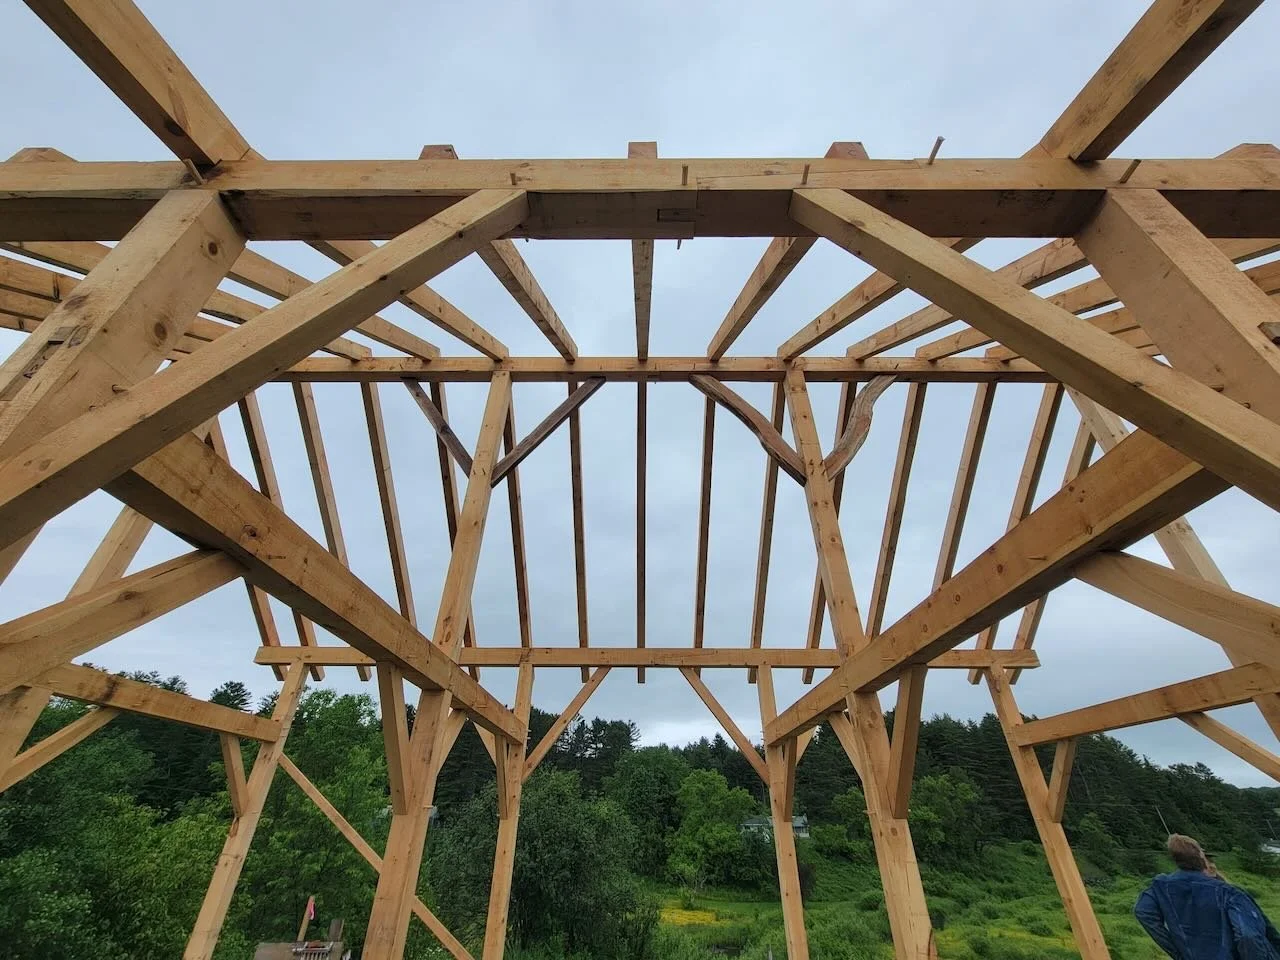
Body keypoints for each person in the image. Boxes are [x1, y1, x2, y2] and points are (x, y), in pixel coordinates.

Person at [1135, 834, 1280, 959]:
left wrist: (1177, 952)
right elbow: (1248, 936)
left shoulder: (1161, 887)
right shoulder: (1230, 894)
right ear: (1201, 858)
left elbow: (1143, 912)